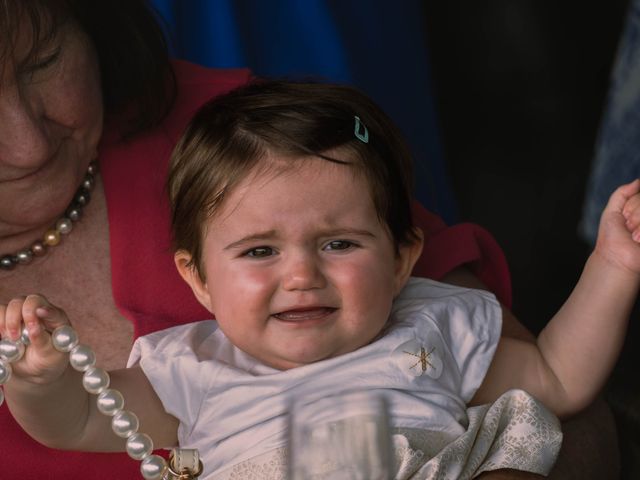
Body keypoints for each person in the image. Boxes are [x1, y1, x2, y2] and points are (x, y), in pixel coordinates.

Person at [0, 1, 617, 478]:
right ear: (196, 278)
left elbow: (561, 378)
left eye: (339, 245)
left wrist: (615, 263)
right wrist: (40, 380)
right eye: (260, 252)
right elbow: (79, 417)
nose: (302, 276)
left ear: (404, 258)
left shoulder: (435, 327)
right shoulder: (194, 368)